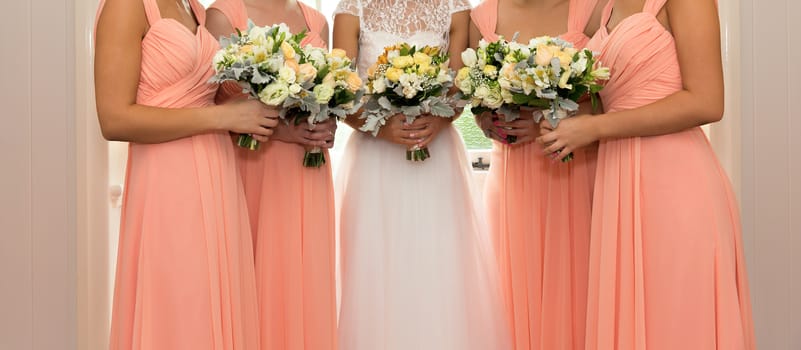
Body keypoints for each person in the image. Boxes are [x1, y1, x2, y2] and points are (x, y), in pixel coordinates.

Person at [537, 0, 756, 348]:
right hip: (616, 178)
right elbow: (604, 103)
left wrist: (595, 127)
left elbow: (708, 101)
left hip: (675, 182)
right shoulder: (604, 7)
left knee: (677, 321)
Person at [94, 0, 278, 348]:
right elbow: (114, 119)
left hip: (218, 174)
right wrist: (222, 119)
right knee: (181, 304)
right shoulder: (126, 5)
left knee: (214, 303)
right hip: (168, 180)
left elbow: (211, 98)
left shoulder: (194, 6)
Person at [332, 0, 511, 349]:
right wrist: (380, 128)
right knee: (376, 268)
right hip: (374, 159)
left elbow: (461, 88)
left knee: (439, 266)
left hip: (437, 155)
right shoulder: (351, 8)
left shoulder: (456, 8)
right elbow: (338, 93)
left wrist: (440, 119)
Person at [206, 1, 338, 349]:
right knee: (252, 280)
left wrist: (327, 125)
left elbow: (329, 97)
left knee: (304, 281)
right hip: (252, 166)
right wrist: (281, 131)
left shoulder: (316, 21)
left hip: (308, 172)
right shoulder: (222, 15)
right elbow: (205, 108)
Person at [470, 1, 601, 348]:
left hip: (573, 170)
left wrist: (548, 119)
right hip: (512, 173)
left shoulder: (590, 8)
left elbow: (605, 97)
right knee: (512, 290)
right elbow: (476, 99)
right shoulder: (482, 16)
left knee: (576, 287)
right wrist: (487, 121)